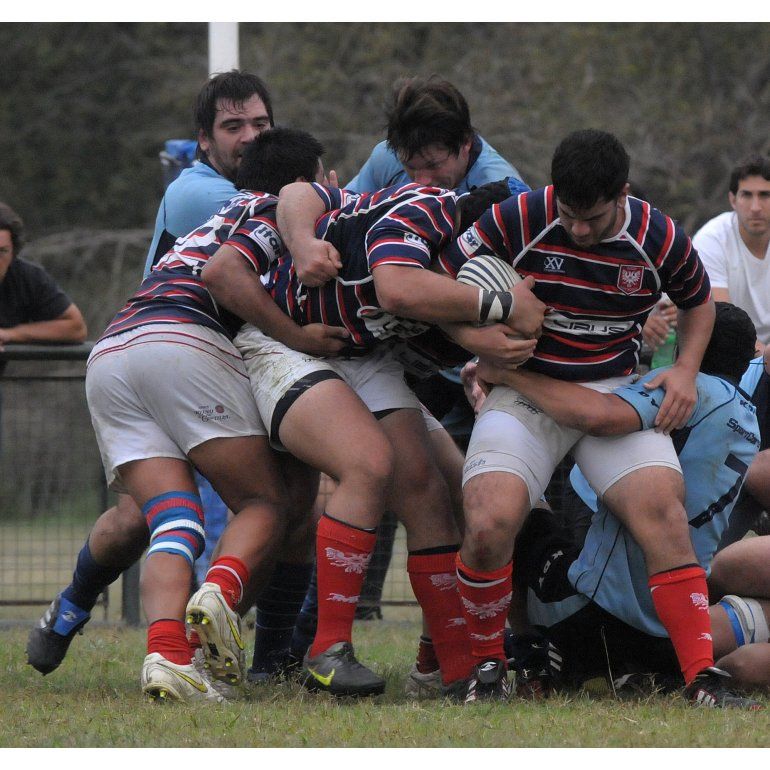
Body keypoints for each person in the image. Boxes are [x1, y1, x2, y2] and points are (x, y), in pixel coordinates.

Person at [26, 129, 341, 702]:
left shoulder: (218, 214)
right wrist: (299, 333)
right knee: (268, 502)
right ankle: (215, 598)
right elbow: (226, 277)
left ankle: (167, 657)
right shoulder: (278, 212)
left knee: (174, 521)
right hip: (183, 343)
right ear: (307, 182)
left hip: (116, 348)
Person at [200, 177, 544, 697]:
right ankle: (328, 648)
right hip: (284, 343)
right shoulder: (429, 208)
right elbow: (394, 284)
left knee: (427, 492)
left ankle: (453, 672)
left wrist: (481, 336)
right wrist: (498, 306)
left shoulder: (462, 265)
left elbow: (438, 311)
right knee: (368, 463)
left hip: (358, 357)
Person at [441, 128, 718, 703]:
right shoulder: (521, 216)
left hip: (611, 388)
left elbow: (699, 300)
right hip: (524, 393)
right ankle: (488, 672)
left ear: (622, 194)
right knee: (490, 521)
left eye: (591, 217)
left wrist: (686, 369)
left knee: (665, 515)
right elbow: (437, 287)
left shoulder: (658, 236)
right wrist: (481, 343)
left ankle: (700, 677)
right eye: (568, 214)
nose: (579, 229)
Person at [478, 302, 762, 707]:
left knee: (514, 510)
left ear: (689, 346)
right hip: (672, 631)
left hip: (596, 618)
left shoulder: (689, 390)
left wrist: (508, 375)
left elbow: (598, 414)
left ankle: (533, 648)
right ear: (750, 354)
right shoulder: (748, 418)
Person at [347, 76, 526, 195]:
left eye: (433, 165)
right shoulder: (387, 158)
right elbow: (337, 212)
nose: (420, 182)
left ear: (465, 142)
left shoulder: (502, 191)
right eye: (411, 167)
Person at [692, 154, 770, 349]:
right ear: (733, 200)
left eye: (764, 195)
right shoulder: (711, 239)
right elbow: (725, 322)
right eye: (747, 195)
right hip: (732, 354)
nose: (755, 207)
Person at [0, 201, 87, 357]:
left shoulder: (26, 278)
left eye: (2, 251)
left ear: (13, 252)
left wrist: (9, 334)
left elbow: (76, 328)